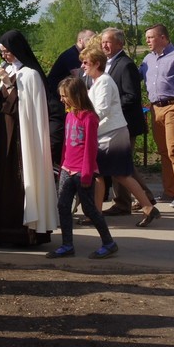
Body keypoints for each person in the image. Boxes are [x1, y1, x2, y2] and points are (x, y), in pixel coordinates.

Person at [0, 30, 56, 246]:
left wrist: (9, 85)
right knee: (1, 181)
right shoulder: (10, 72)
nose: (5, 56)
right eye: (2, 52)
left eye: (8, 52)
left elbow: (26, 109)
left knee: (18, 182)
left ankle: (21, 233)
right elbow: (7, 106)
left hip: (23, 138)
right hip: (5, 135)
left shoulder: (31, 75)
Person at [79, 42, 160, 227]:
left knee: (116, 174)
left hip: (111, 134)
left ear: (96, 63)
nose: (83, 66)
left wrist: (87, 125)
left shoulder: (104, 82)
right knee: (108, 174)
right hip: (108, 132)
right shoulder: (97, 81)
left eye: (85, 62)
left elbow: (102, 110)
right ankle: (99, 213)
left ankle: (146, 207)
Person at [48, 76, 119, 259]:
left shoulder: (89, 118)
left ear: (76, 95)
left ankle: (109, 243)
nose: (62, 99)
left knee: (89, 209)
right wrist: (62, 164)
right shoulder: (70, 115)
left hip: (82, 171)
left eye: (65, 96)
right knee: (63, 206)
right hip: (67, 168)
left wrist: (87, 173)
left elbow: (90, 148)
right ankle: (67, 244)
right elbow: (66, 144)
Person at [99, 27, 156, 214]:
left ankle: (123, 204)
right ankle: (145, 197)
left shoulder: (125, 64)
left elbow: (131, 96)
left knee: (120, 165)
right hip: (114, 123)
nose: (104, 45)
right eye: (103, 41)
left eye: (108, 41)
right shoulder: (107, 63)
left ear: (120, 44)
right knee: (124, 164)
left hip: (125, 123)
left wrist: (109, 105)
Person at [141, 24, 174, 206]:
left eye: (151, 37)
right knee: (163, 151)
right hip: (155, 108)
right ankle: (169, 191)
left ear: (163, 38)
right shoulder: (147, 59)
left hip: (173, 106)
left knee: (173, 149)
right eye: (146, 37)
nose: (147, 41)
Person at [44, 29, 95, 166]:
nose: (94, 42)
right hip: (57, 99)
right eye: (91, 39)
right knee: (58, 132)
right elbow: (79, 80)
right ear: (80, 41)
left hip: (66, 98)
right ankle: (54, 164)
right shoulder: (72, 55)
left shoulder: (78, 54)